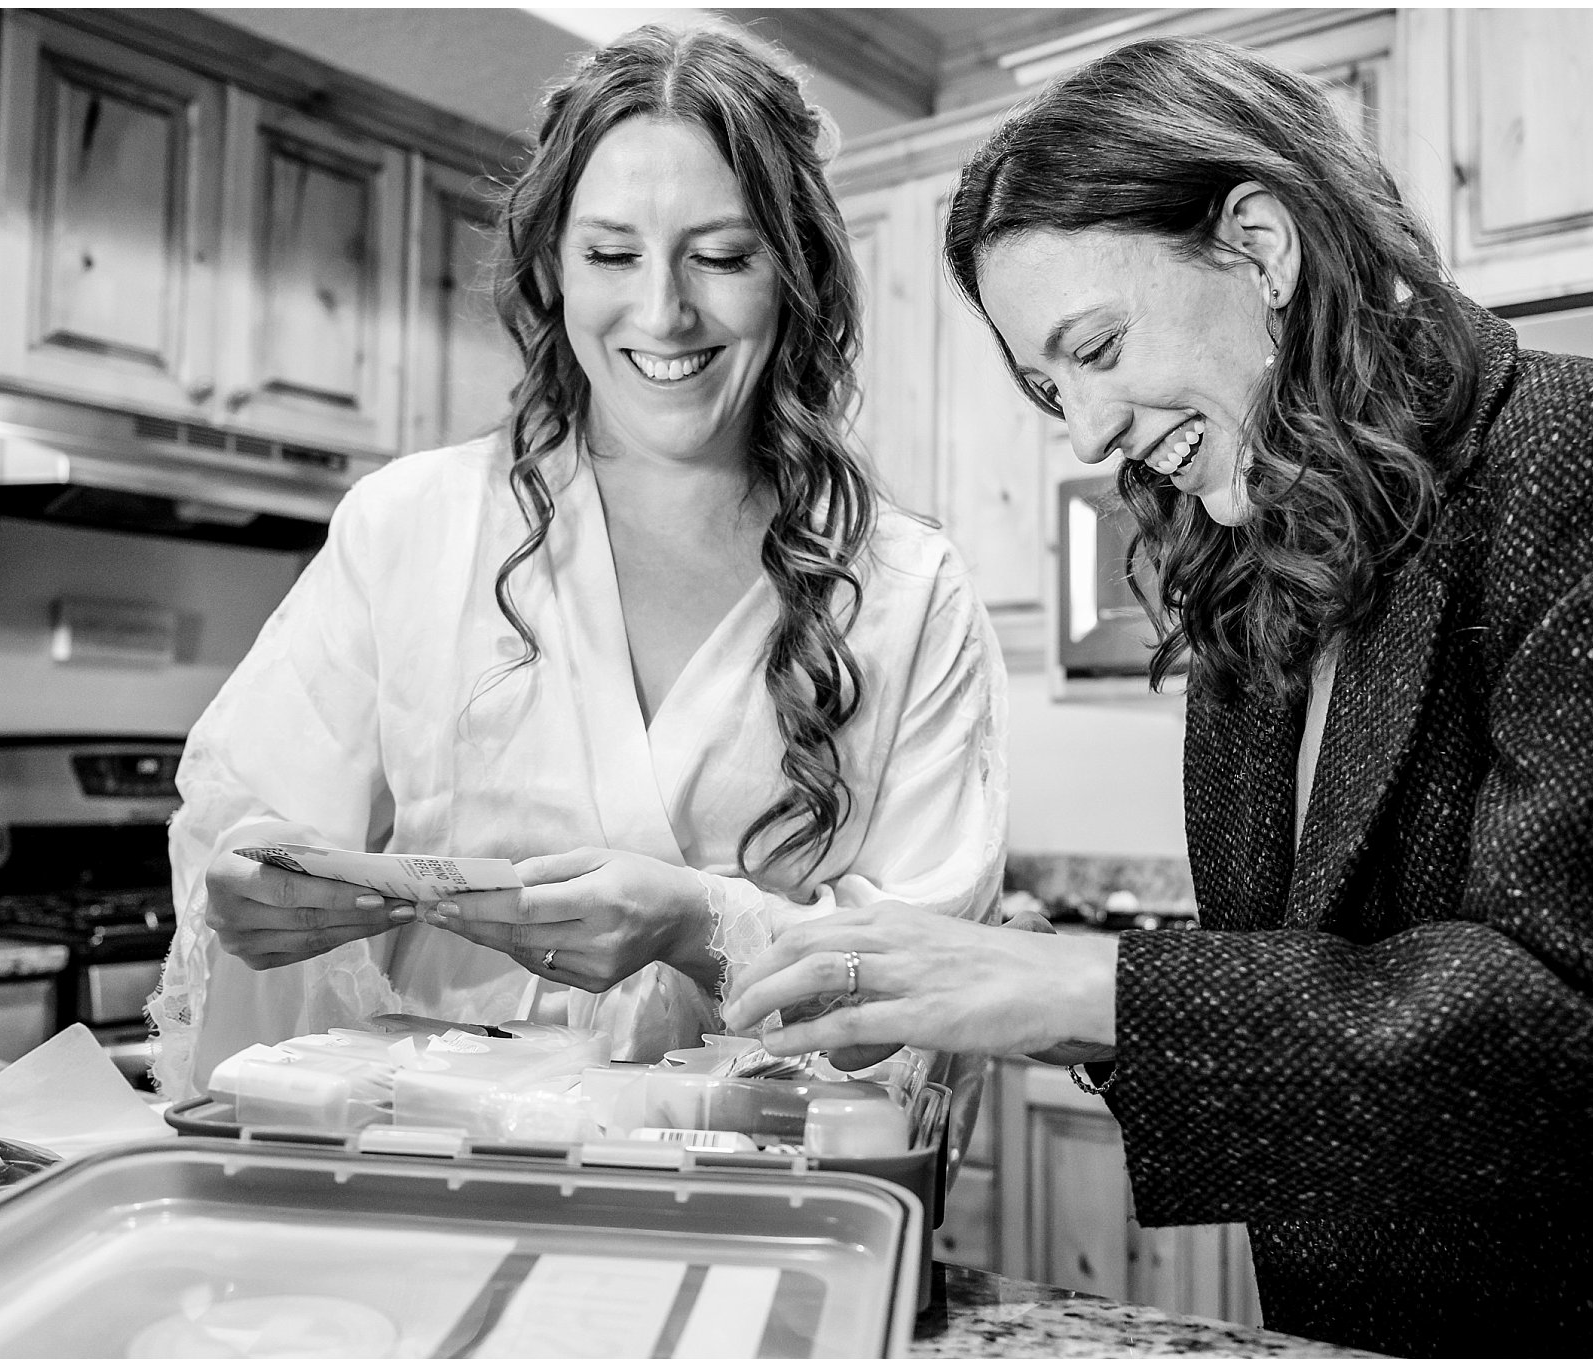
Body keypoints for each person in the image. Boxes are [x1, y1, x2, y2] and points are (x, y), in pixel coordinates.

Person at [725, 35, 1593, 1358]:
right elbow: (1307, 1005)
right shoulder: (1255, 582)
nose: (1088, 433)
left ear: (1262, 248)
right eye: (1054, 387)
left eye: (1098, 346)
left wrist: (1084, 984)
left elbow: (1580, 1041)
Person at [149, 23, 1007, 1107]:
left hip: (764, 1204)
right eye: (611, 254)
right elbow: (246, 822)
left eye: (723, 255)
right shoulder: (409, 525)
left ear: (795, 276)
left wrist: (702, 926)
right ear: (552, 268)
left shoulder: (904, 590)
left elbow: (939, 979)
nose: (662, 311)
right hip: (432, 1172)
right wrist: (253, 887)